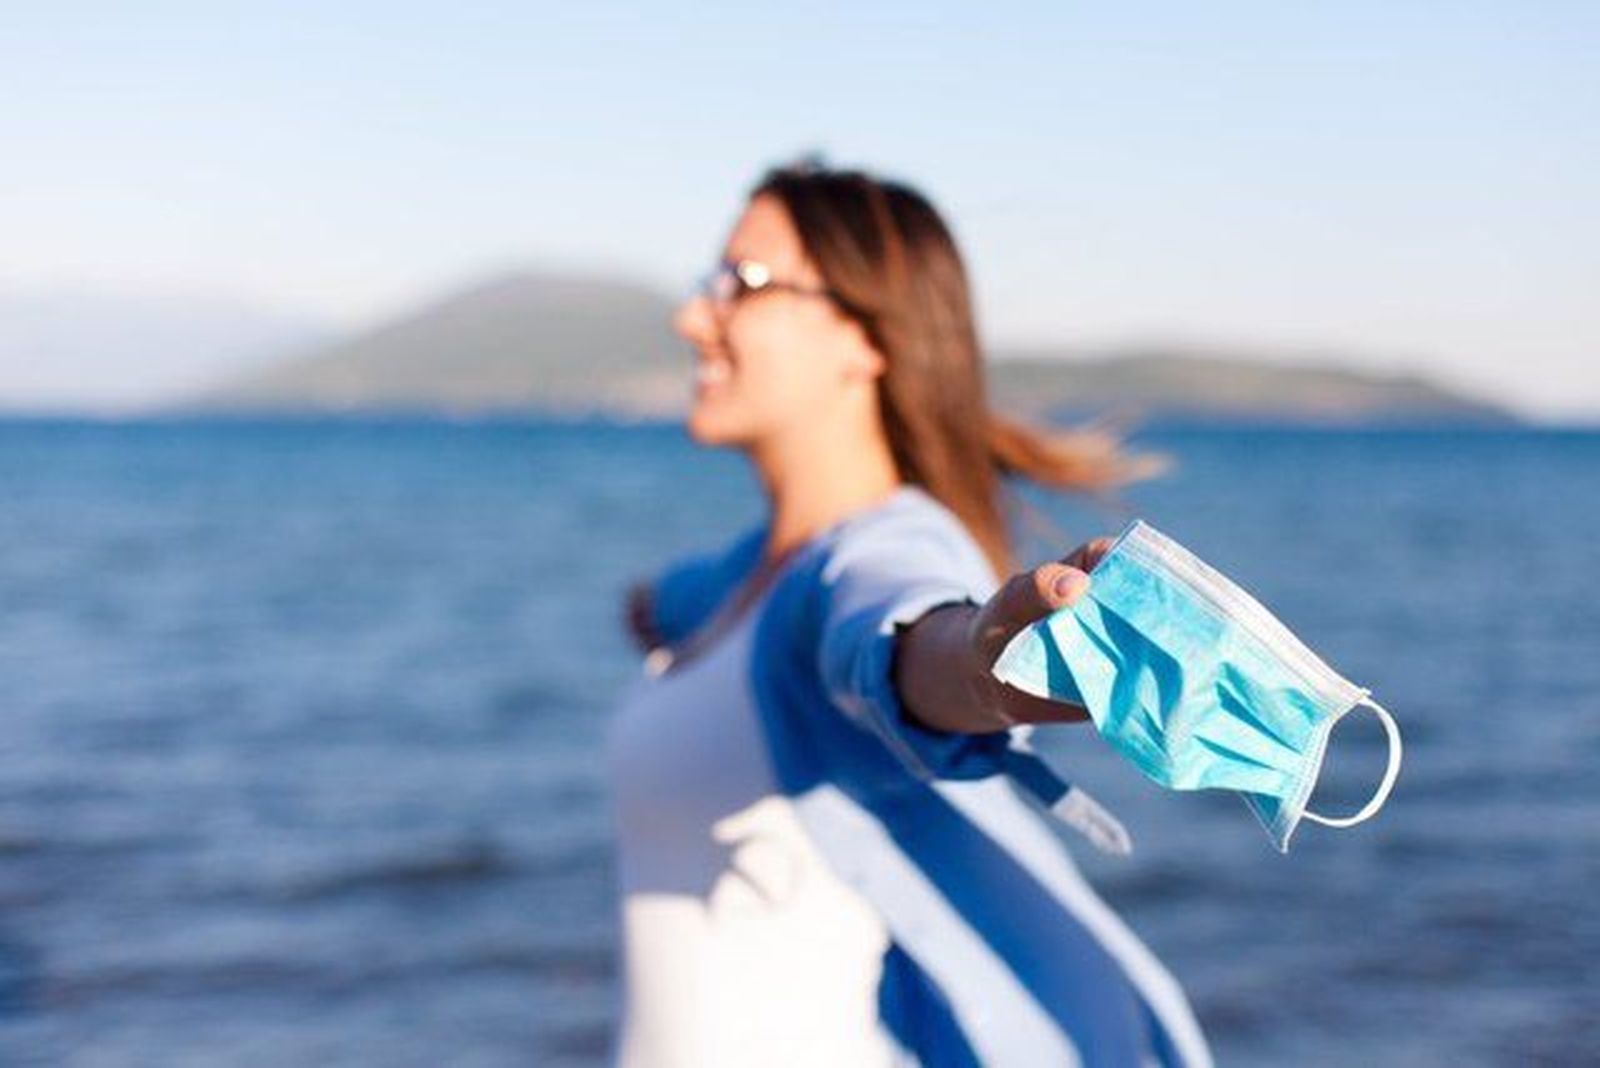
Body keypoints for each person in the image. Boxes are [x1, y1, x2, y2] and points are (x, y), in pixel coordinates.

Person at [603, 157, 1212, 1067]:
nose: (694, 316)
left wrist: (985, 664)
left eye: (744, 283)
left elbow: (900, 638)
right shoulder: (750, 575)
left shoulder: (872, 558)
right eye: (708, 283)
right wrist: (653, 609)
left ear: (866, 336)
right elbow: (675, 602)